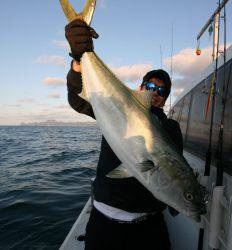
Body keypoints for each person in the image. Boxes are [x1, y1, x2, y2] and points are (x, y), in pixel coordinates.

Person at [65, 19, 183, 250]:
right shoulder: (116, 108)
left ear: (166, 98)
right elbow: (78, 100)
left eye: (161, 91)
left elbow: (172, 168)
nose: (155, 93)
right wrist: (79, 62)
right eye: (150, 86)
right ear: (140, 88)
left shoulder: (171, 128)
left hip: (148, 224)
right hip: (105, 222)